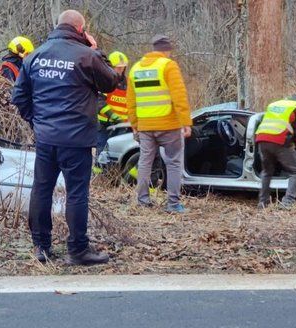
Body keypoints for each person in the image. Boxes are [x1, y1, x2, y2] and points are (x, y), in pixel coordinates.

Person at [12, 9, 119, 265]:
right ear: (81, 30)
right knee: (76, 194)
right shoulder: (87, 56)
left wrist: (37, 123)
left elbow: (19, 97)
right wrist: (97, 51)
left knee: (41, 191)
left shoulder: (34, 56)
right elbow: (111, 83)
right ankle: (78, 250)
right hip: (77, 139)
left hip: (46, 139)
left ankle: (41, 247)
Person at [127, 34, 192, 213]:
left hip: (145, 126)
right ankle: (172, 204)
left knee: (145, 162)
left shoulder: (136, 68)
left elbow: (130, 101)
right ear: (167, 50)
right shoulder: (168, 66)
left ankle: (142, 200)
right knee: (173, 163)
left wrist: (134, 123)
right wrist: (186, 122)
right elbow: (179, 96)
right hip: (168, 124)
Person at [255, 92, 296, 210]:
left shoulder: (275, 104)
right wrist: (294, 144)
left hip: (261, 138)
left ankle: (262, 203)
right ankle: (287, 203)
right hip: (280, 139)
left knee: (267, 171)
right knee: (295, 171)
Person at [95, 51, 129, 159]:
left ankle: (114, 175)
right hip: (105, 125)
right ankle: (99, 175)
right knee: (102, 152)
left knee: (118, 155)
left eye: (122, 67)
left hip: (122, 126)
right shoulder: (104, 81)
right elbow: (99, 102)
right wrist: (112, 115)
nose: (120, 70)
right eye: (117, 67)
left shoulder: (129, 83)